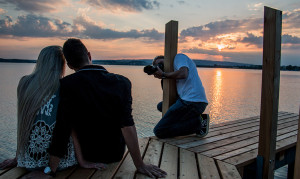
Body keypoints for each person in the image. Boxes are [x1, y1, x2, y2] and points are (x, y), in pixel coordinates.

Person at [46, 38, 167, 178]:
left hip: (87, 154)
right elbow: (127, 125)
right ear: (89, 56)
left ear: (70, 65)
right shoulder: (122, 82)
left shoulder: (66, 85)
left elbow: (63, 128)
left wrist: (51, 170)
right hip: (114, 153)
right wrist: (140, 165)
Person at [0, 46, 104, 175]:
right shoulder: (65, 86)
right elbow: (70, 128)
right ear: (61, 64)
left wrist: (18, 158)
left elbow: (23, 122)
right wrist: (82, 161)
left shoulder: (25, 83)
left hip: (29, 161)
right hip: (61, 162)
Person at [151, 54, 209, 138]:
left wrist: (164, 74)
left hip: (193, 102)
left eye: (161, 63)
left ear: (168, 60)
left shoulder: (179, 57)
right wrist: (163, 77)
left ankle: (198, 123)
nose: (160, 66)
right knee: (161, 106)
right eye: (157, 66)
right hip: (186, 100)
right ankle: (194, 118)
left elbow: (183, 74)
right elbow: (171, 94)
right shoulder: (172, 72)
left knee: (159, 131)